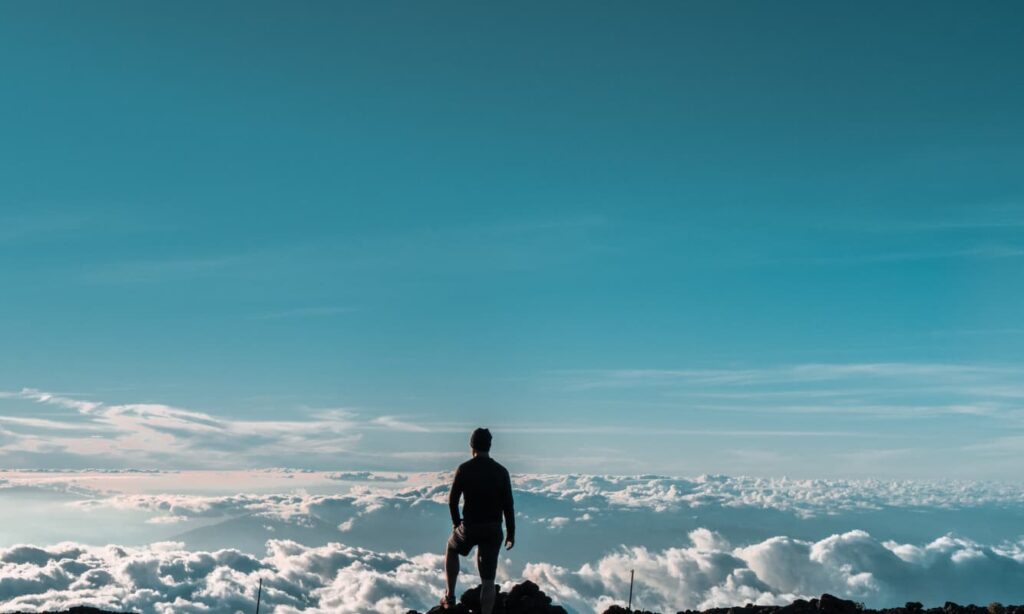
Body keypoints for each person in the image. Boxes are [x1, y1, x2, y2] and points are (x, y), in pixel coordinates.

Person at [442, 428, 515, 613]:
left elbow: (452, 500)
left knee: (451, 547)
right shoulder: (501, 471)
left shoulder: (464, 469)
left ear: (471, 445)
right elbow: (508, 506)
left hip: (470, 526)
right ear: (489, 446)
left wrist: (456, 522)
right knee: (488, 580)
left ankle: (450, 597)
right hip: (493, 529)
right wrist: (511, 533)